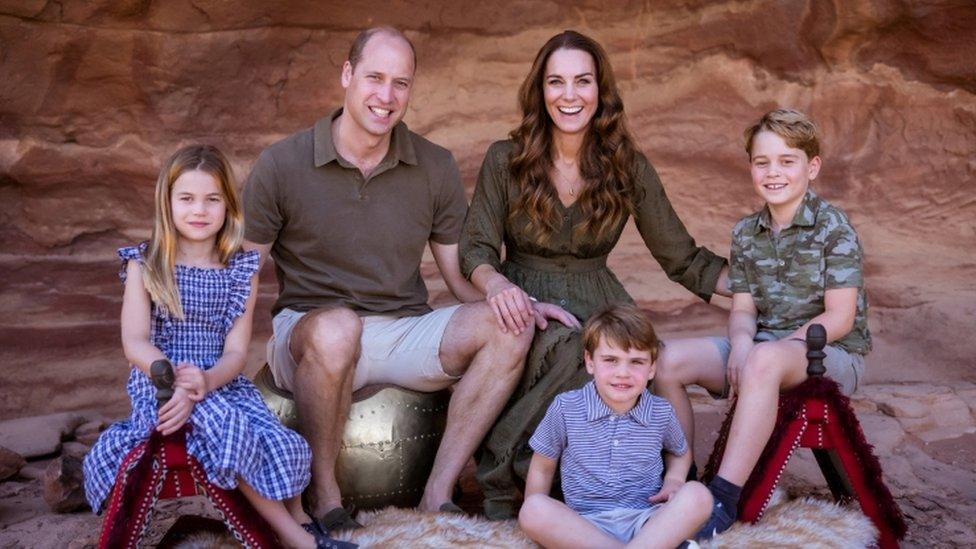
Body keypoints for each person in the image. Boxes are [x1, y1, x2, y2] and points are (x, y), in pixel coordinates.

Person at [242, 26, 535, 529]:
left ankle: (437, 492)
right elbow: (240, 278)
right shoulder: (281, 164)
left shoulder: (434, 165)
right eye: (374, 77)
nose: (386, 95)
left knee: (511, 327)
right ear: (347, 74)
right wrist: (222, 363)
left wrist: (507, 297)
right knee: (338, 329)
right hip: (308, 334)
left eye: (401, 83)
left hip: (400, 330)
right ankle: (326, 500)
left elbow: (459, 276)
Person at [459, 30, 730, 519]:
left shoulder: (626, 166)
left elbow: (682, 257)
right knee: (576, 348)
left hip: (601, 296)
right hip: (526, 301)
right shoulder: (505, 159)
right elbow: (475, 247)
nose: (569, 95)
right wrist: (499, 286)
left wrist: (760, 290)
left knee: (631, 357)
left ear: (600, 91)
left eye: (582, 82)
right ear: (540, 91)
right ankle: (504, 477)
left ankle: (649, 492)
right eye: (556, 82)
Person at [82, 145, 350, 548]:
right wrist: (171, 378)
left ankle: (301, 519)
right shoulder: (146, 264)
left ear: (228, 205)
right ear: (167, 202)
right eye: (186, 198)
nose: (200, 210)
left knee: (281, 440)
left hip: (220, 381)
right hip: (159, 383)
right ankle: (300, 541)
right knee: (223, 426)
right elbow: (134, 342)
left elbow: (236, 352)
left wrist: (206, 379)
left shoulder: (240, 269)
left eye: (212, 199)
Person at [652, 109, 871, 539]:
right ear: (751, 166)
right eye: (762, 162)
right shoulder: (746, 234)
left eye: (787, 161)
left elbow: (840, 318)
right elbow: (744, 310)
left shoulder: (834, 229)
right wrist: (740, 345)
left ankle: (723, 498)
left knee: (765, 360)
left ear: (812, 167)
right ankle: (683, 477)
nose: (774, 172)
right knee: (667, 361)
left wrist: (765, 354)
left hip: (827, 354)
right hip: (764, 349)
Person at [518, 304, 712, 548]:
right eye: (610, 360)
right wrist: (540, 523)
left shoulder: (660, 412)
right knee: (532, 509)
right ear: (590, 362)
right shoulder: (566, 408)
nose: (623, 372)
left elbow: (679, 452)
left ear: (652, 368)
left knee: (699, 496)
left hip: (647, 522)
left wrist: (674, 480)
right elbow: (542, 467)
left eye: (636, 362)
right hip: (583, 527)